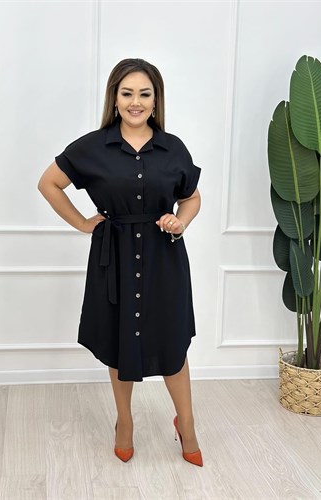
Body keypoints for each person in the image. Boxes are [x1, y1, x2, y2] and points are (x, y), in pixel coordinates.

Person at [37, 58, 203, 466]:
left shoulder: (173, 148)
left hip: (164, 259)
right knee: (119, 341)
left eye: (145, 94)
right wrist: (82, 223)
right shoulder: (93, 147)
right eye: (127, 93)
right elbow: (49, 183)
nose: (136, 102)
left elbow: (191, 197)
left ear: (156, 100)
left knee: (172, 344)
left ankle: (187, 423)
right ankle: (124, 421)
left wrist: (180, 221)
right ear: (114, 98)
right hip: (114, 260)